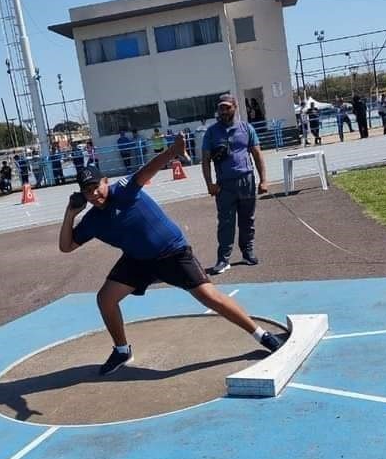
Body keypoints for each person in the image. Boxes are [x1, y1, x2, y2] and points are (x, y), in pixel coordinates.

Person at [58, 136, 282, 376]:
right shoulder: (91, 220)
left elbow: (146, 172)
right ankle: (122, 350)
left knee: (209, 296)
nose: (94, 194)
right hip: (138, 260)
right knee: (105, 299)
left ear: (105, 181)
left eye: (96, 187)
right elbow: (66, 246)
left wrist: (172, 152)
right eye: (87, 192)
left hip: (172, 251)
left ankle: (262, 335)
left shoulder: (122, 190)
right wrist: (70, 213)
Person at [201, 94, 269, 274]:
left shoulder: (246, 128)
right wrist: (209, 184)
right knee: (226, 222)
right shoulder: (211, 132)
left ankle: (247, 252)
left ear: (235, 107)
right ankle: (223, 260)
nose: (223, 111)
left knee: (248, 220)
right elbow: (205, 160)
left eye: (226, 107)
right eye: (220, 108)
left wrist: (263, 180)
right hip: (224, 186)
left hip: (246, 180)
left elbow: (257, 155)